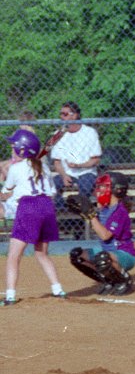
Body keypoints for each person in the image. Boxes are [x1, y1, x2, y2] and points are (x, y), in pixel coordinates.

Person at [0, 130, 66, 306]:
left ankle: (11, 295)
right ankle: (58, 289)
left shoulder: (15, 168)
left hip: (29, 208)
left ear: (22, 150)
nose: (12, 149)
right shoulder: (43, 166)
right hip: (47, 207)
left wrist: (4, 194)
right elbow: (50, 191)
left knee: (13, 255)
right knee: (41, 253)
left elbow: (6, 193)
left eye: (14, 146)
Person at [68, 172, 135, 296]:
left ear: (117, 190)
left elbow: (105, 235)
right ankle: (108, 280)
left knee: (102, 258)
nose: (99, 190)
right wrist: (84, 213)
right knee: (77, 255)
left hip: (125, 254)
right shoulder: (105, 208)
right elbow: (96, 225)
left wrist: (91, 216)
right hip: (108, 251)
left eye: (103, 187)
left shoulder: (120, 211)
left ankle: (124, 280)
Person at [50, 101, 102, 206]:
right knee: (52, 184)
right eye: (61, 114)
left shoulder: (89, 132)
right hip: (67, 172)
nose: (61, 117)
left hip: (86, 171)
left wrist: (79, 165)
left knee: (86, 184)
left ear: (75, 115)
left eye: (65, 114)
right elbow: (57, 162)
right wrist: (64, 175)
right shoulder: (58, 134)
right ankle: (63, 211)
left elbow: (95, 159)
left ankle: (83, 210)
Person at [0, 111, 37, 182]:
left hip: (22, 160)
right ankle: (3, 189)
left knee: (4, 168)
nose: (20, 125)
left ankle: (15, 183)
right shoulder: (20, 132)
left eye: (22, 123)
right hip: (14, 159)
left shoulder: (30, 133)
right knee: (1, 170)